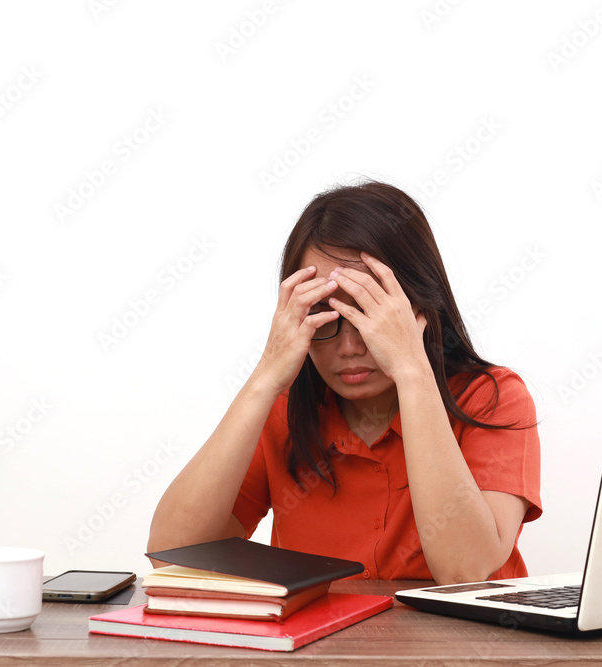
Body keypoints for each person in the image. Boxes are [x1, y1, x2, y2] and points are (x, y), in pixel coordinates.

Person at [147, 180, 541, 584]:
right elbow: (173, 557)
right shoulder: (286, 411)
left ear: (419, 303)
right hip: (322, 647)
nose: (349, 347)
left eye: (368, 313)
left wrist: (411, 370)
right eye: (324, 315)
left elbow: (467, 574)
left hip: (459, 646)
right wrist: (266, 374)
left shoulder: (492, 398)